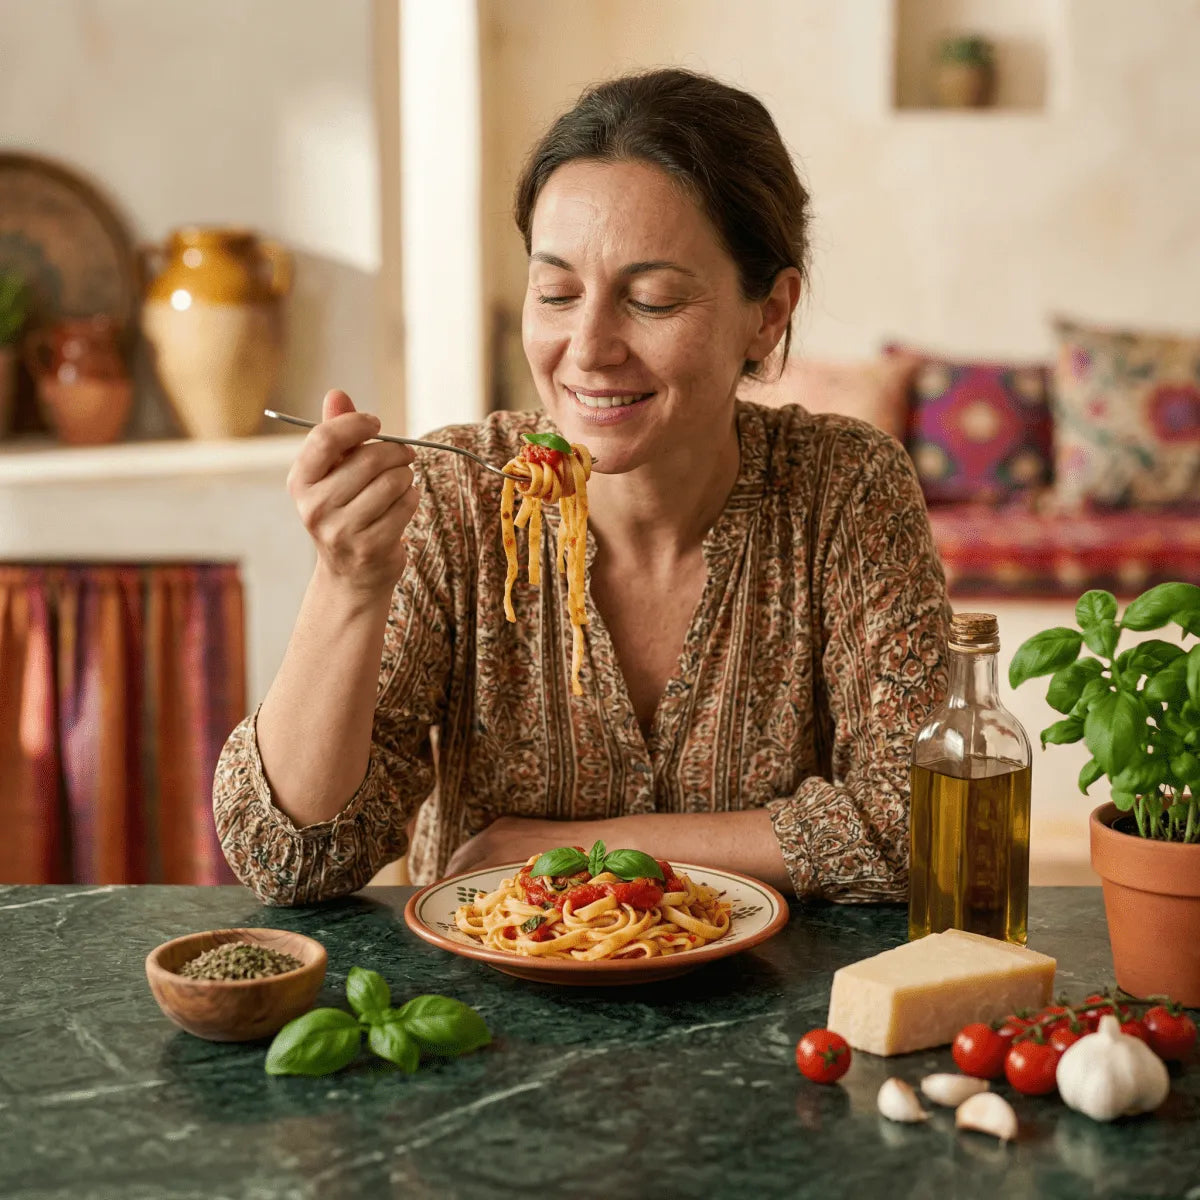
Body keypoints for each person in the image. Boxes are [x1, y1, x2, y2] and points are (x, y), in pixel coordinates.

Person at [213, 68, 950, 906]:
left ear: (769, 313)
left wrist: (575, 848)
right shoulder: (454, 497)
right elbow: (289, 860)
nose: (589, 347)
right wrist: (347, 583)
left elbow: (923, 822)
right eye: (556, 292)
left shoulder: (846, 488)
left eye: (653, 299)